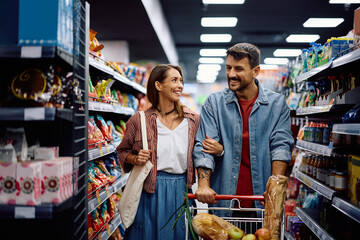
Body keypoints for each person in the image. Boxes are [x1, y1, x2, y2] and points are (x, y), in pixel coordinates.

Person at [193, 43, 294, 217]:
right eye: (228, 68)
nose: (231, 74)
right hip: (224, 201)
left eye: (238, 69)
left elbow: (281, 147)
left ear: (255, 71)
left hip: (262, 202)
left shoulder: (277, 105)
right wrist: (203, 185)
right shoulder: (214, 104)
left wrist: (276, 187)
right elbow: (204, 147)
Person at [116, 64, 201, 240]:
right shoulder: (138, 121)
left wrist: (218, 149)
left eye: (181, 81)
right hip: (149, 192)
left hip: (182, 191)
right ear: (158, 85)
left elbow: (204, 153)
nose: (180, 85)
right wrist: (134, 158)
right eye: (174, 80)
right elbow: (122, 152)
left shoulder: (193, 121)